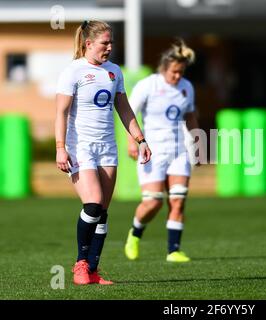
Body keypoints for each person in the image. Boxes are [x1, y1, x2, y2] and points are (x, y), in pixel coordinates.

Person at [55, 20, 151, 285]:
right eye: (104, 43)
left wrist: (140, 139)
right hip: (80, 148)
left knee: (103, 211)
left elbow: (124, 108)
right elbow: (61, 113)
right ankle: (80, 265)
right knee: (94, 202)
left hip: (107, 146)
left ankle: (94, 270)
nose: (109, 47)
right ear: (88, 44)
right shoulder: (73, 71)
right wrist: (60, 148)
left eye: (111, 42)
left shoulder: (114, 71)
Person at [124, 39, 200, 263]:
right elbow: (129, 113)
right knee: (154, 201)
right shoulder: (148, 85)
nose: (177, 76)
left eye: (181, 72)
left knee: (178, 199)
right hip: (152, 151)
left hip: (178, 151)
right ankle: (135, 233)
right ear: (164, 68)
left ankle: (173, 250)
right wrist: (133, 142)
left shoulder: (187, 87)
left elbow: (191, 116)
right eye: (174, 72)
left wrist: (200, 145)